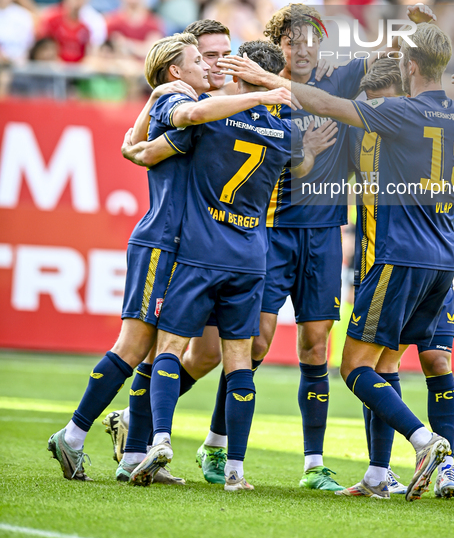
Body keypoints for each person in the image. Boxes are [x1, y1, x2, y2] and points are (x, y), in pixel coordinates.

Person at [237, 18, 454, 501]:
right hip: (439, 260)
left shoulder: (400, 116)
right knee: (388, 364)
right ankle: (380, 474)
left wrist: (276, 82)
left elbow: (329, 103)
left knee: (357, 367)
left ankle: (427, 445)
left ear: (408, 73)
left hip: (398, 260)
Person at [47, 32, 292, 482]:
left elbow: (135, 146)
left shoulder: (213, 115)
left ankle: (131, 453)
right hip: (165, 240)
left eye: (220, 57)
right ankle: (78, 434)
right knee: (139, 346)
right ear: (178, 69)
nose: (214, 66)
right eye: (205, 58)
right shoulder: (184, 103)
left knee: (184, 353)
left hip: (194, 247)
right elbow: (136, 150)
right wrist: (156, 100)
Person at [119, 40, 303, 490]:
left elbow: (145, 151)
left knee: (169, 349)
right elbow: (304, 161)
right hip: (250, 256)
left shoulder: (210, 115)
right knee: (239, 361)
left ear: (239, 68)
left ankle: (158, 439)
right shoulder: (288, 133)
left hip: (201, 253)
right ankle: (236, 470)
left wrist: (137, 137)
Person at [212, 4, 381, 492]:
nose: (302, 48)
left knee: (315, 346)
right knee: (256, 343)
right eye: (292, 40)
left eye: (311, 39)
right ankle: (217, 444)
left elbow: (392, 55)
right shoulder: (257, 91)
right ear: (277, 45)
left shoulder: (341, 81)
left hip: (326, 233)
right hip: (271, 233)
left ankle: (313, 464)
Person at [345, 56, 454, 499]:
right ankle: (380, 473)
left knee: (436, 361)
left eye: (386, 104)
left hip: (428, 264)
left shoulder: (426, 133)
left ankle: (445, 465)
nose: (380, 114)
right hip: (383, 262)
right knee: (383, 364)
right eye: (373, 105)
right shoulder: (358, 133)